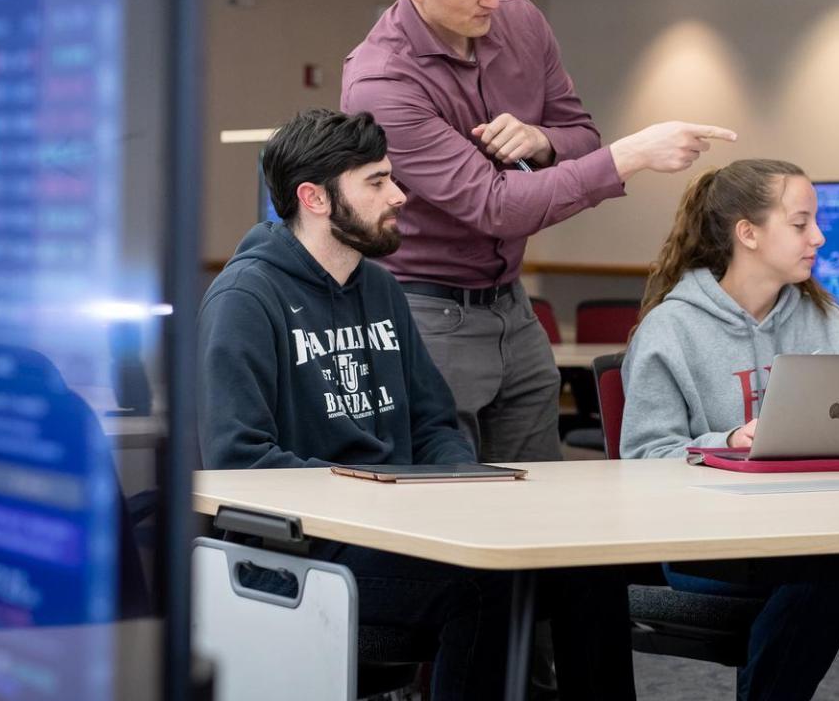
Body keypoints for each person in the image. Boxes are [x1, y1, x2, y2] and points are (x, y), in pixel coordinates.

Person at [199, 108, 635, 701]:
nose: (400, 195)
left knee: (590, 569)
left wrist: (462, 488)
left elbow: (432, 422)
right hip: (300, 549)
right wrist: (375, 495)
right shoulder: (246, 297)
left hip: (397, 529)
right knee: (484, 587)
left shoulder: (380, 288)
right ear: (315, 198)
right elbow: (239, 460)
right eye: (377, 182)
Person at [342, 0, 736, 463]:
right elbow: (496, 207)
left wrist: (542, 140)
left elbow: (578, 132)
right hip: (424, 310)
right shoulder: (381, 83)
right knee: (444, 504)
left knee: (536, 494)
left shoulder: (520, 18)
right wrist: (633, 154)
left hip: (512, 304)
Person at [621, 158, 839, 701]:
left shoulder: (828, 320)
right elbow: (642, 457)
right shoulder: (671, 330)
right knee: (827, 567)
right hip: (712, 545)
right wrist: (727, 442)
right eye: (802, 223)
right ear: (748, 233)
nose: (820, 237)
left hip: (822, 529)